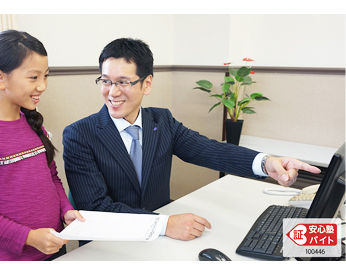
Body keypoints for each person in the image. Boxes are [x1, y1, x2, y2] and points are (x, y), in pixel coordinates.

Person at [62, 38, 321, 242]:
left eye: (123, 82)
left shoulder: (161, 121)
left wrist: (265, 163)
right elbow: (96, 208)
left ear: (147, 84)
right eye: (105, 81)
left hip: (159, 239)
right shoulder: (79, 134)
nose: (112, 92)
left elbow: (208, 150)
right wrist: (164, 224)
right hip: (109, 243)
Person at [0, 30, 84, 261]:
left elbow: (52, 177)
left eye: (46, 76)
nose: (43, 86)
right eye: (34, 77)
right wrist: (30, 237)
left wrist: (66, 210)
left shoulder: (33, 124)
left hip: (53, 249)